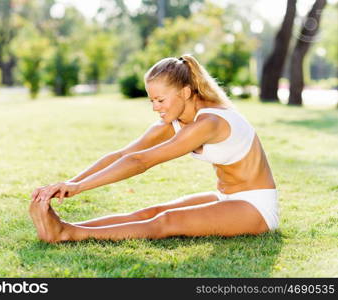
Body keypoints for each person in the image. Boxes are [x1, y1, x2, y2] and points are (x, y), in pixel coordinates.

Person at [29, 54, 279, 243]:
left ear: (185, 91)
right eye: (152, 100)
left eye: (160, 100)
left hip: (255, 206)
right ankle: (65, 225)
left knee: (167, 221)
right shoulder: (176, 121)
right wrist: (70, 184)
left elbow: (141, 162)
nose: (155, 107)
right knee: (152, 211)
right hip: (225, 197)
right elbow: (123, 155)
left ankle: (67, 233)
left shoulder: (210, 122)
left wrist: (80, 187)